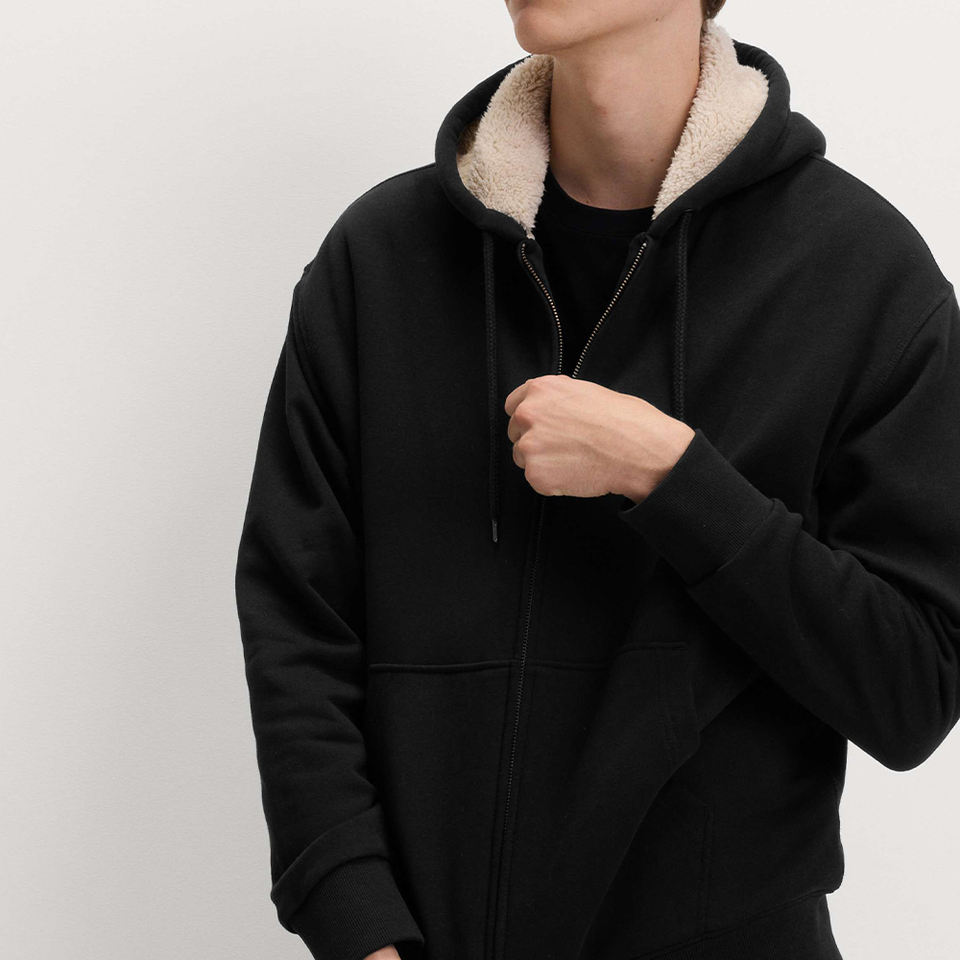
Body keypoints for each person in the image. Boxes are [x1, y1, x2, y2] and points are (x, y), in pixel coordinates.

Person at [234, 0, 960, 958]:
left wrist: (673, 477)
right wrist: (356, 924)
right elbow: (298, 623)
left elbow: (912, 691)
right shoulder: (383, 258)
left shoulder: (859, 272)